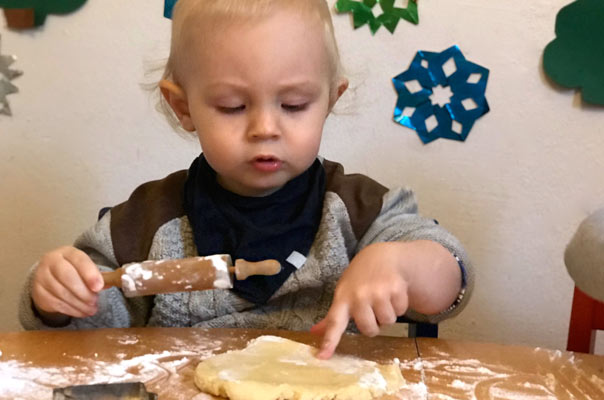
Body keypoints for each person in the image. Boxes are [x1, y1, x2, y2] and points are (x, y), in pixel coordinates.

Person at [19, 0, 473, 359]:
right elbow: (88, 335)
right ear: (184, 108)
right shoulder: (143, 224)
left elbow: (450, 280)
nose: (265, 128)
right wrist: (61, 295)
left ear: (331, 100)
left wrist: (400, 264)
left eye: (294, 104)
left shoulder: (358, 210)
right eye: (233, 107)